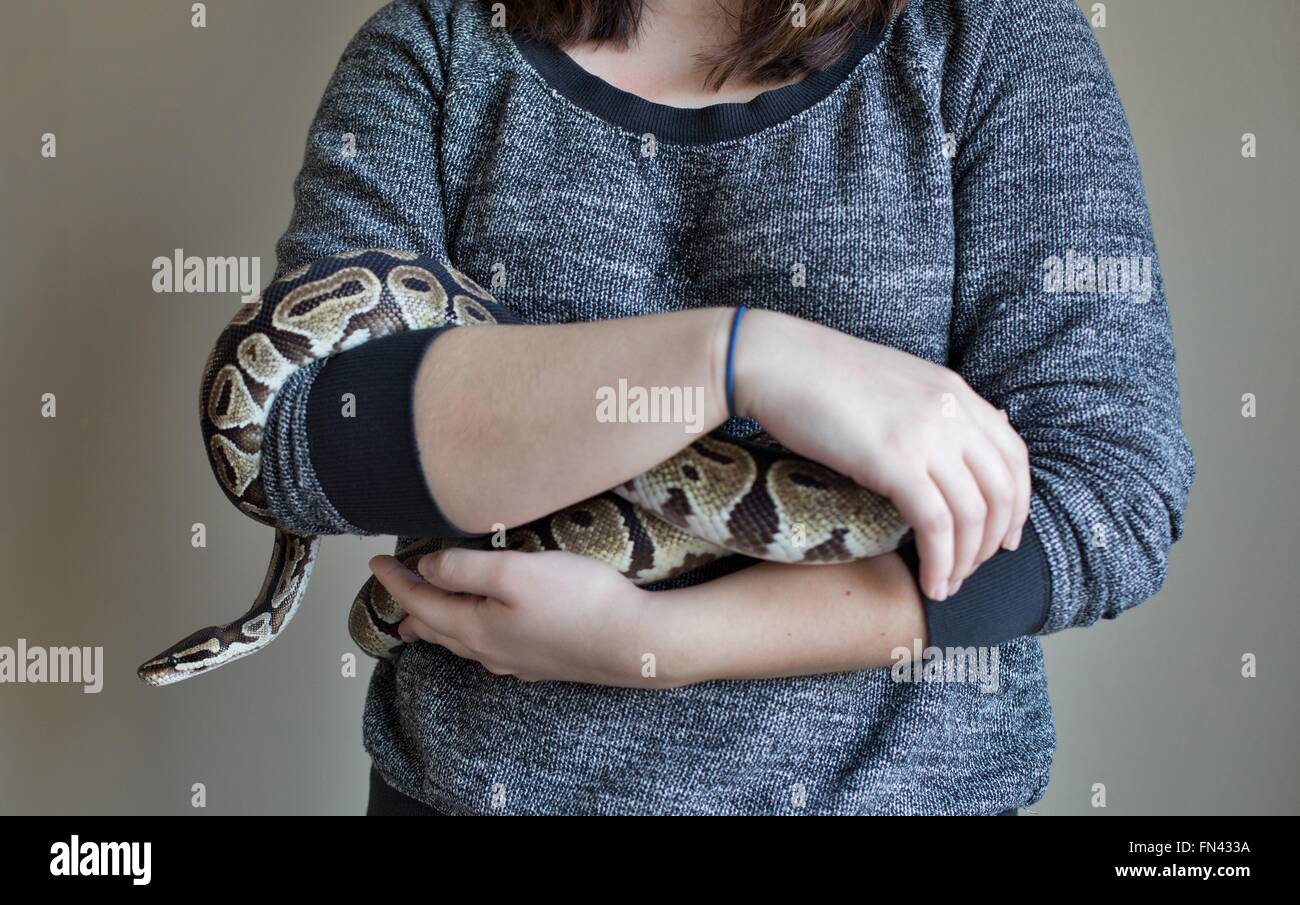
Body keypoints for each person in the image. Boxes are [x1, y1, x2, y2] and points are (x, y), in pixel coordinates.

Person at [256, 0, 1195, 815]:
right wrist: (740, 358)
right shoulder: (439, 48)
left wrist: (658, 644)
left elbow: (1109, 500)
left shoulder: (987, 38)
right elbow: (292, 442)